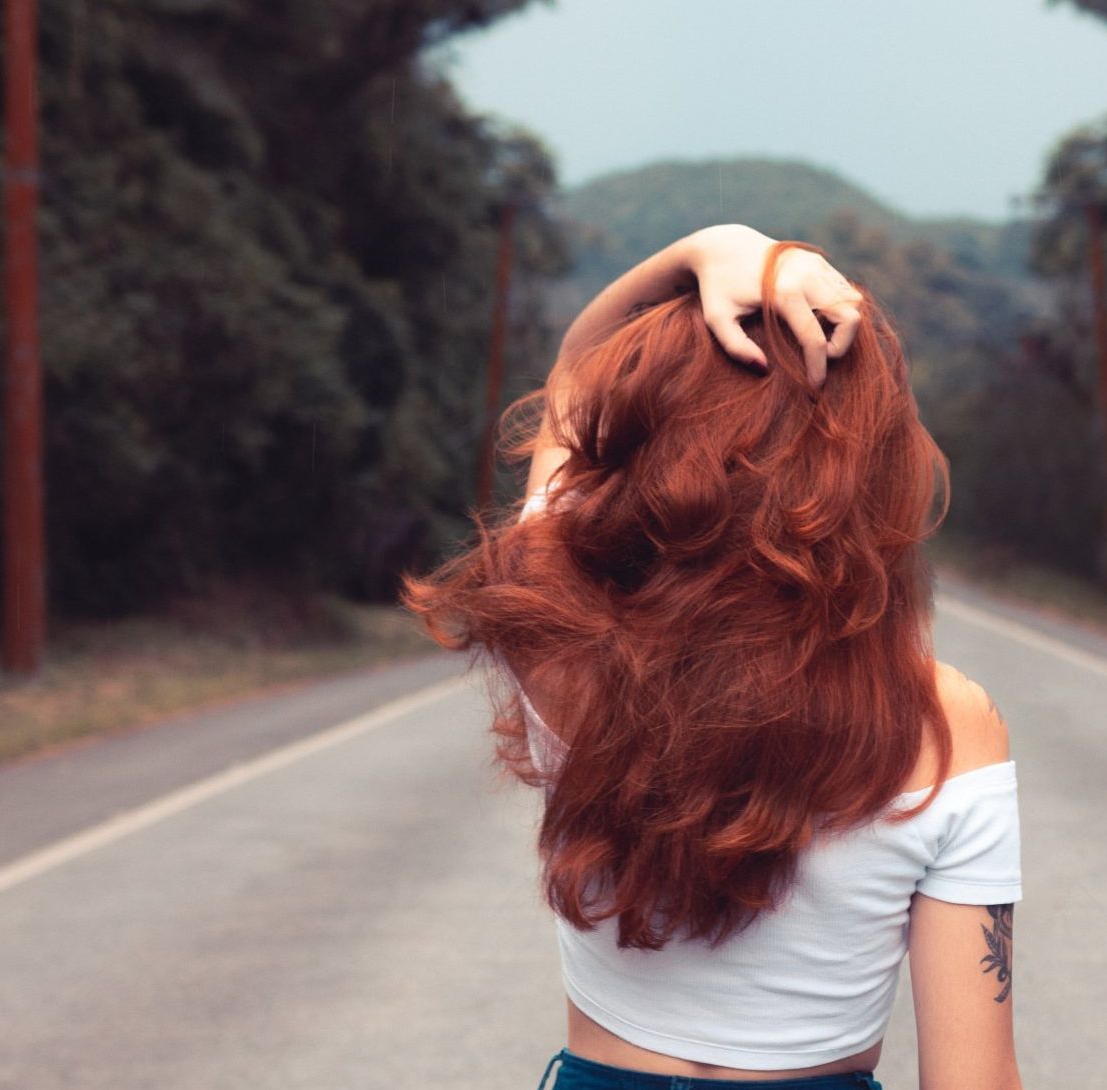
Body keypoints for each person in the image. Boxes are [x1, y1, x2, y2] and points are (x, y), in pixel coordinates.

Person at [403, 223, 1024, 1090]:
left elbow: (574, 383)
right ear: (873, 472)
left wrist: (710, 247)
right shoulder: (948, 723)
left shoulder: (560, 641)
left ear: (649, 454)